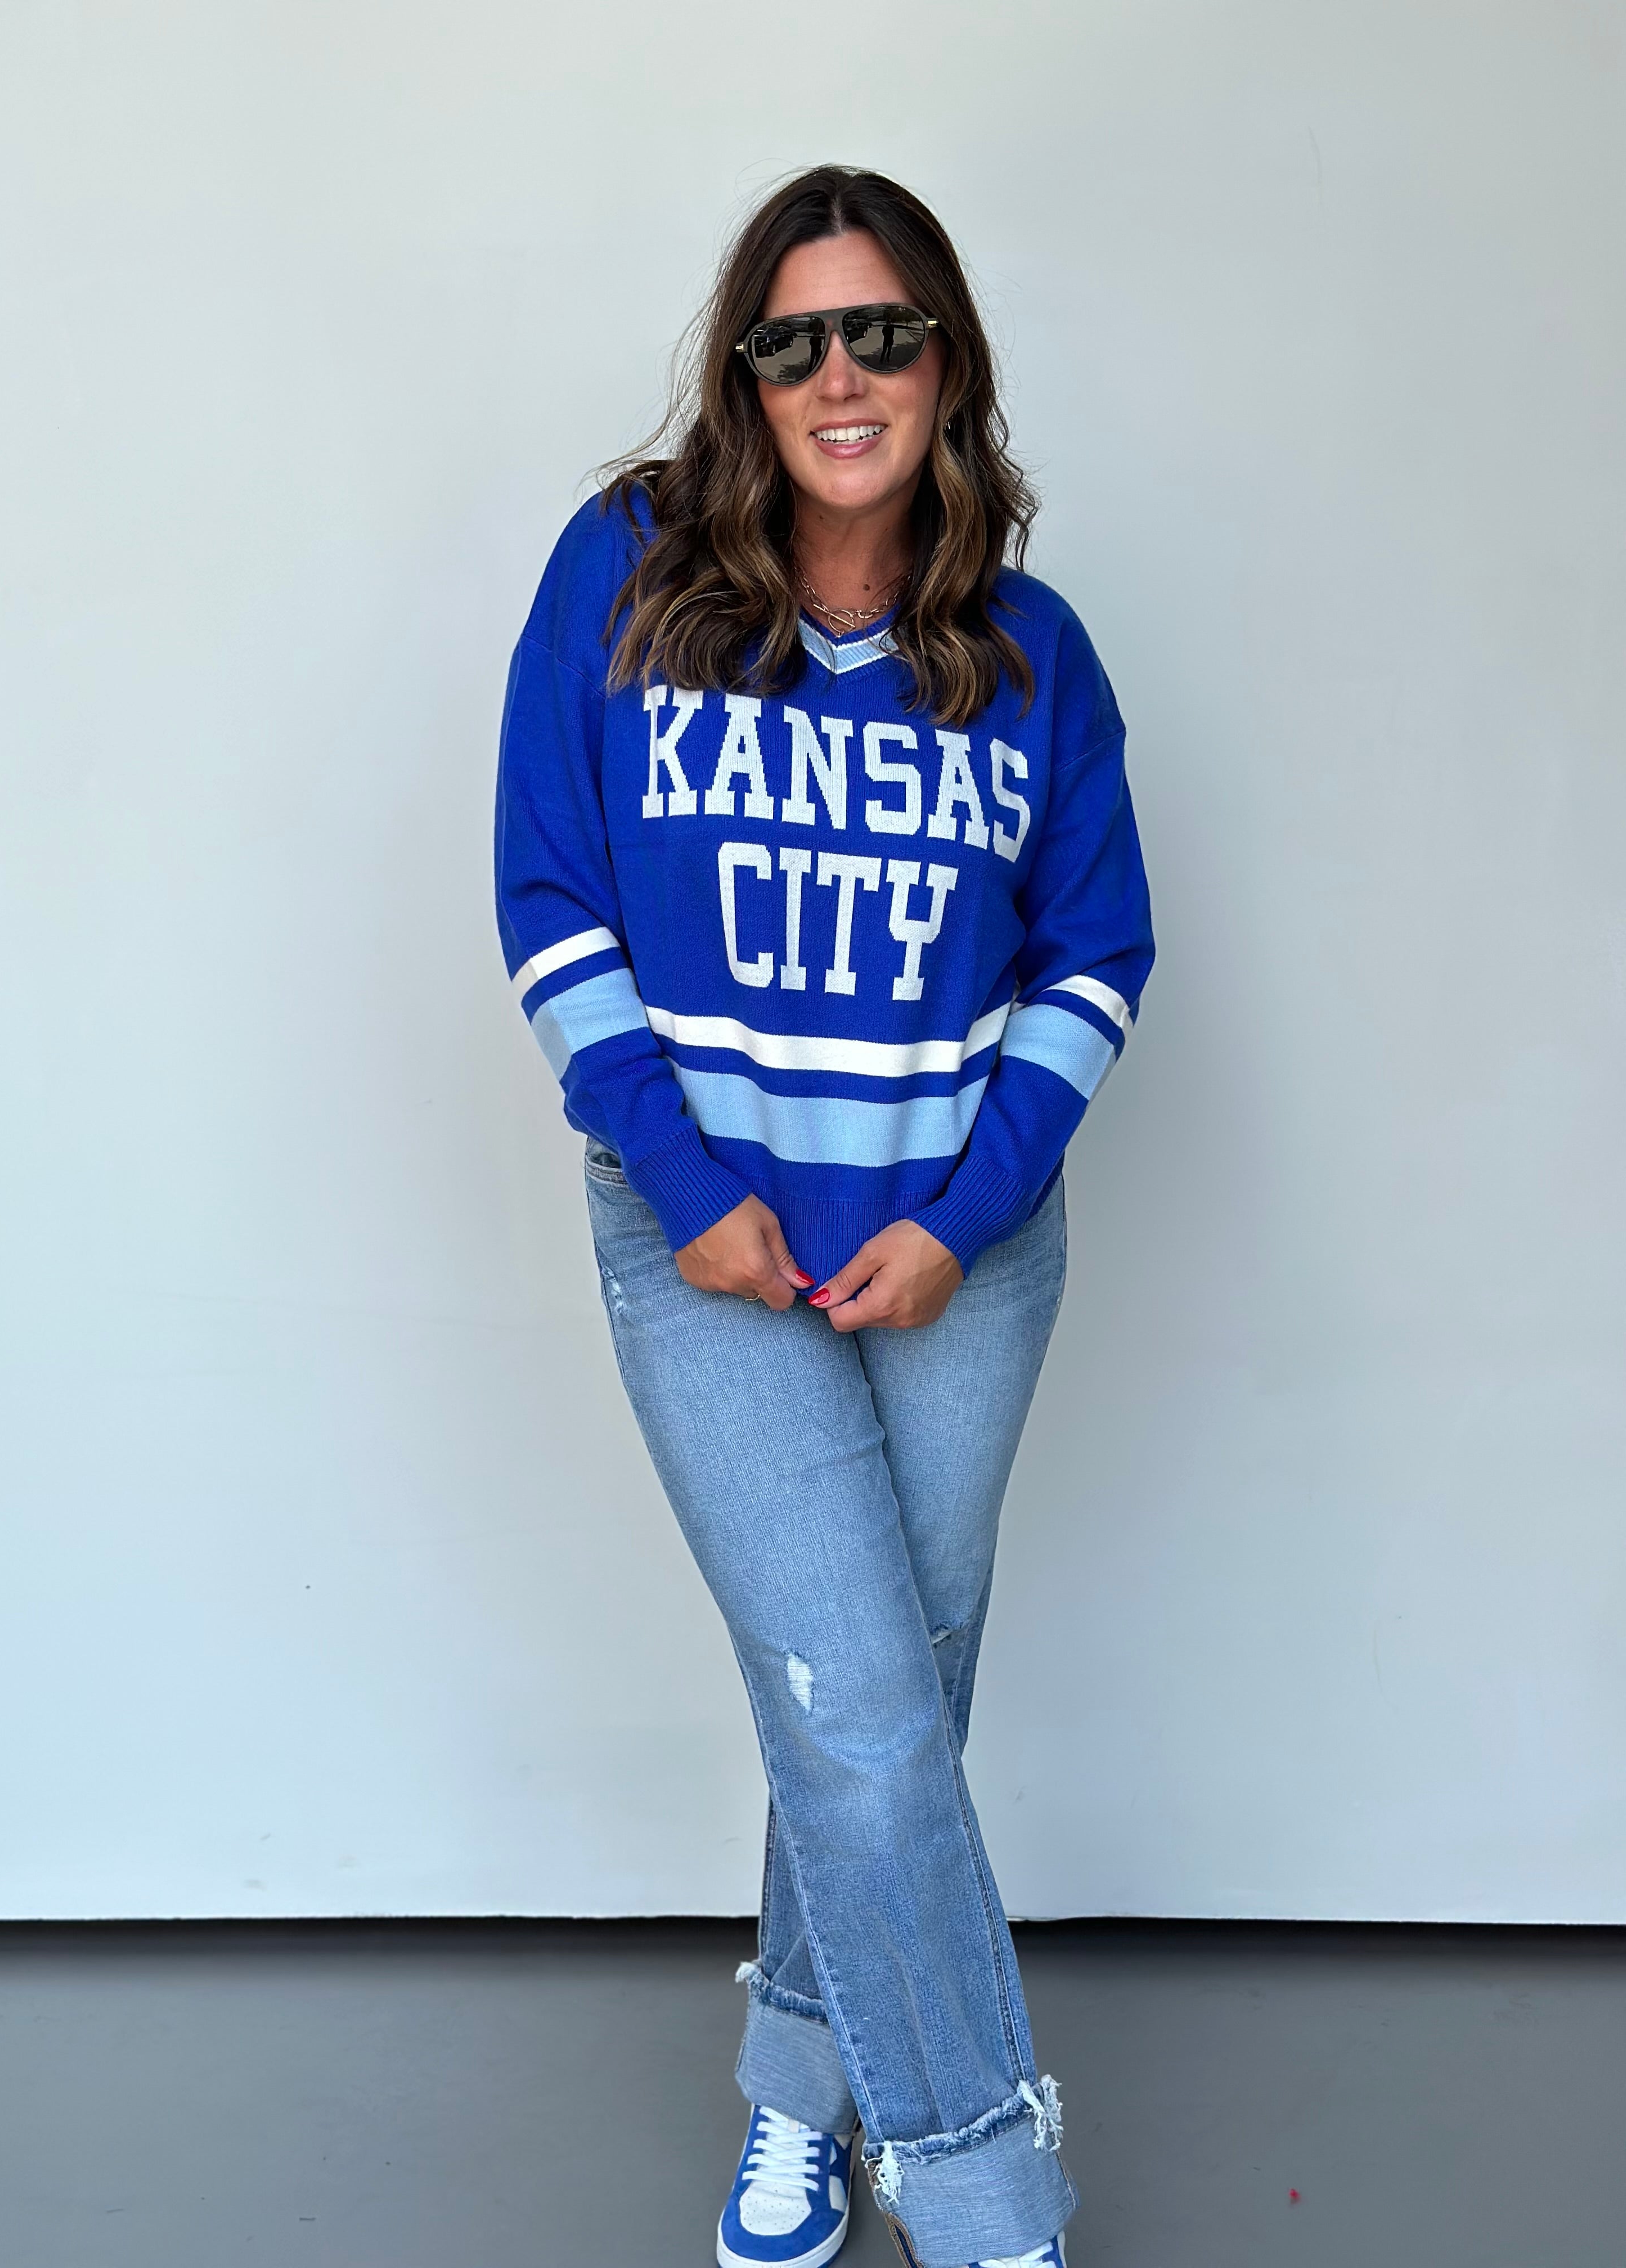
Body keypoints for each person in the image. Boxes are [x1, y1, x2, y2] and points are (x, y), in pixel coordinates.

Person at [494, 164, 1153, 2268]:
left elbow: (1097, 957)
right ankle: (984, 2191)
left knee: (883, 1707)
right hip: (711, 1253)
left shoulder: (1031, 656)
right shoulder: (624, 578)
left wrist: (972, 1211)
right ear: (745, 376)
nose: (840, 375)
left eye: (882, 334)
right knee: (861, 1711)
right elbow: (551, 899)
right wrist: (685, 1186)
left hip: (964, 1253)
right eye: (795, 341)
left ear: (944, 364)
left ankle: (798, 2089)